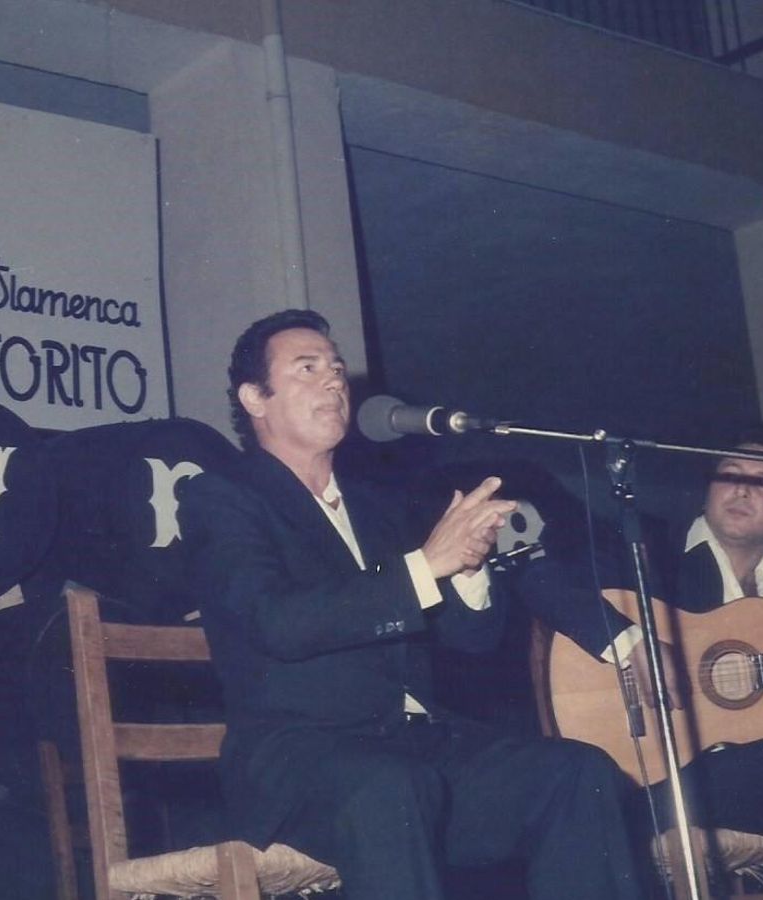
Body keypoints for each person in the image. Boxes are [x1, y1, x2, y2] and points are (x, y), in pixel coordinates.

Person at [178, 309, 642, 900]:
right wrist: (426, 565)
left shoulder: (378, 507)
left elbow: (467, 639)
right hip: (301, 757)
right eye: (307, 368)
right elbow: (277, 622)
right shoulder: (222, 497)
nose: (333, 382)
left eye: (338, 370)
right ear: (255, 397)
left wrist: (468, 569)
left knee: (579, 774)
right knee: (389, 790)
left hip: (416, 747)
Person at [524, 423, 763, 898]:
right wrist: (629, 643)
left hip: (750, 784)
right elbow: (539, 579)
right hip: (646, 777)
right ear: (707, 491)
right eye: (731, 473)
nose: (743, 487)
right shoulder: (647, 555)